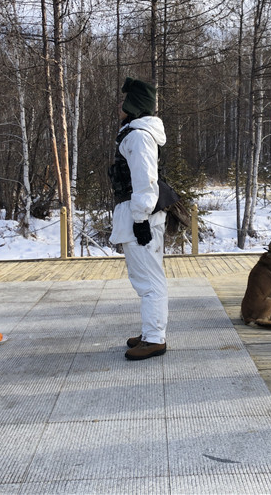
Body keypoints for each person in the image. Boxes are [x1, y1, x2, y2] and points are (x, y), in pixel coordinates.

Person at [109, 77, 169, 361]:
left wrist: (140, 219)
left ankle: (155, 338)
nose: (119, 107)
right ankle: (150, 332)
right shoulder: (134, 134)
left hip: (141, 218)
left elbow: (145, 182)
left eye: (124, 102)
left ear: (133, 106)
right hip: (137, 215)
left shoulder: (139, 136)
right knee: (143, 278)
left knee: (149, 280)